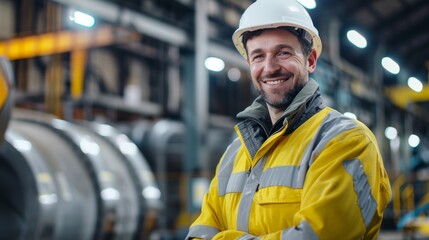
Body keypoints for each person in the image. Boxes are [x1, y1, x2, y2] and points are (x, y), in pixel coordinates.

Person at [186, 0, 392, 239]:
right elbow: (200, 231)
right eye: (258, 56)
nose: (270, 67)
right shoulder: (236, 153)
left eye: (283, 52)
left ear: (311, 60)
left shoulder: (346, 141)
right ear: (249, 64)